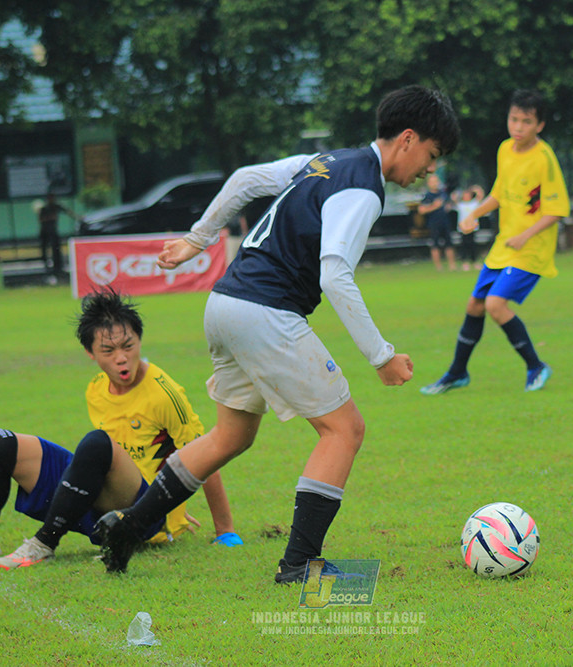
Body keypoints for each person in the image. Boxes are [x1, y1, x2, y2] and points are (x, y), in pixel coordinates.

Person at [93, 85, 460, 579]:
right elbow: (335, 274)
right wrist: (381, 355)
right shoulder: (364, 188)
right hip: (265, 312)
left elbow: (246, 179)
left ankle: (128, 528)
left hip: (224, 304)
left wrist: (195, 240)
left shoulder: (326, 161)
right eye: (431, 157)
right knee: (344, 430)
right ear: (409, 139)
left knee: (231, 435)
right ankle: (300, 564)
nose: (427, 171)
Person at [0, 287, 241, 570]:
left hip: (144, 516)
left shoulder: (163, 392)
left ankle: (43, 544)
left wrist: (224, 530)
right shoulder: (95, 389)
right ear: (90, 353)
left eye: (128, 346)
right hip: (100, 499)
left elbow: (206, 454)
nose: (122, 359)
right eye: (108, 351)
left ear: (139, 341)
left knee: (96, 443)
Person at [420, 89, 569, 395]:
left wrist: (525, 235)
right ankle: (457, 372)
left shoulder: (545, 159)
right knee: (475, 305)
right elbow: (499, 194)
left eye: (526, 122)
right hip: (505, 246)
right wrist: (473, 213)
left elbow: (556, 211)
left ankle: (536, 366)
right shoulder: (505, 150)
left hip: (531, 248)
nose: (518, 127)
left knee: (494, 304)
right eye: (514, 119)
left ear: (539, 125)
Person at [417, 174, 457, 271]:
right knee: (435, 244)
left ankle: (452, 265)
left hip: (445, 222)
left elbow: (450, 204)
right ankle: (439, 267)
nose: (435, 184)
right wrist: (434, 206)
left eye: (436, 181)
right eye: (432, 182)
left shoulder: (443, 194)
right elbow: (421, 210)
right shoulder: (427, 196)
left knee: (449, 243)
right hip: (434, 223)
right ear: (429, 183)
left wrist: (450, 205)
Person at [38, 193, 79, 282]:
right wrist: (50, 217)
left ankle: (58, 267)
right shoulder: (44, 208)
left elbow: (68, 211)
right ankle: (46, 266)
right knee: (45, 249)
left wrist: (78, 217)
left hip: (53, 232)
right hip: (45, 231)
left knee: (56, 249)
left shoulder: (56, 206)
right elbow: (41, 219)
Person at [455, 185, 485, 271]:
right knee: (464, 245)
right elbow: (454, 198)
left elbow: (480, 196)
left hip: (473, 227)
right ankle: (465, 262)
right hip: (463, 228)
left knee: (472, 244)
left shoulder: (474, 203)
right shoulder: (460, 204)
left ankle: (474, 261)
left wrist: (476, 188)